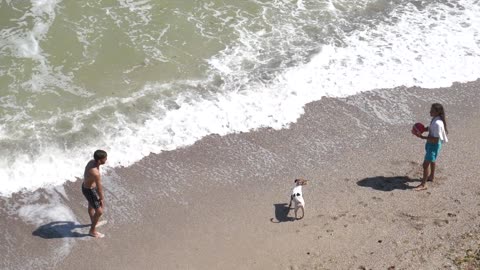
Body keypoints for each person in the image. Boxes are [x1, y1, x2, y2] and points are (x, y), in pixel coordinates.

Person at [413, 103, 448, 191]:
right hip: (431, 144)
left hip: (433, 145)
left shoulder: (437, 123)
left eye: (432, 110)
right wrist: (425, 129)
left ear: (438, 112)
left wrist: (422, 137)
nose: (430, 112)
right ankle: (431, 176)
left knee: (425, 165)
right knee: (432, 160)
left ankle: (423, 184)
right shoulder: (436, 119)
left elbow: (436, 139)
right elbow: (431, 128)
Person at [82, 149, 108, 238]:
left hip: (86, 187)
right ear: (99, 160)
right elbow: (99, 187)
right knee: (99, 211)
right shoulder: (95, 173)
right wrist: (101, 198)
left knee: (91, 206)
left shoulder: (92, 162)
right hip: (89, 190)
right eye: (105, 158)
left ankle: (93, 221)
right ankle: (92, 231)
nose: (106, 159)